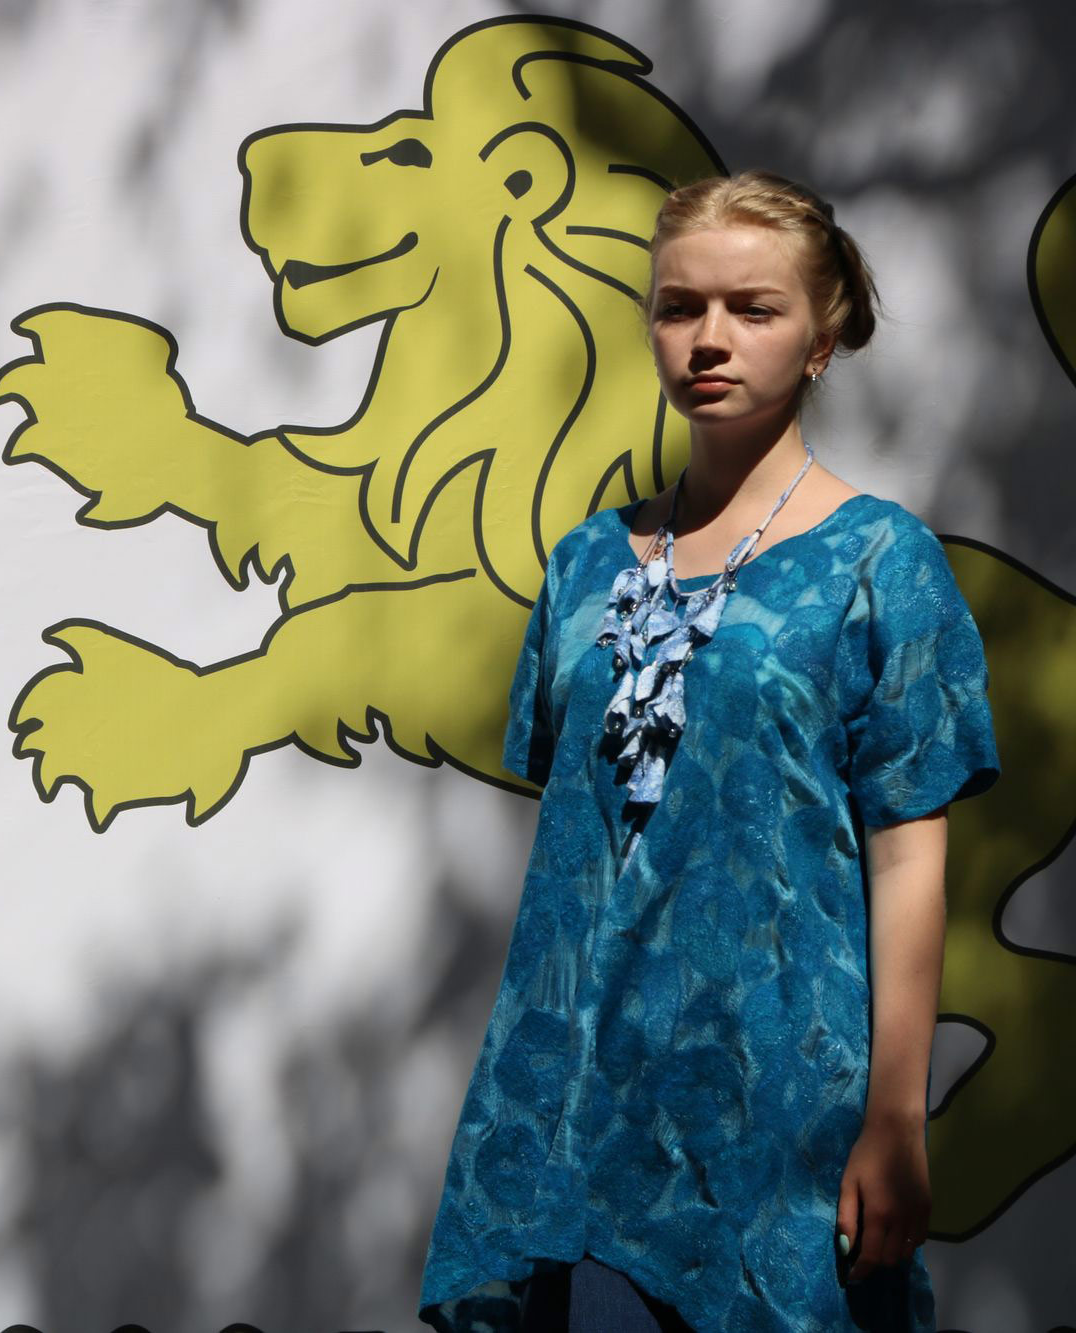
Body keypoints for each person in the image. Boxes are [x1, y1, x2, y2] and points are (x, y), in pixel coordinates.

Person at [418, 170, 1000, 1331]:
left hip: (779, 1125)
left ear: (821, 338)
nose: (708, 337)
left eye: (752, 307)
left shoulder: (879, 563)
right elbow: (577, 854)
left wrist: (896, 1117)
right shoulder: (583, 563)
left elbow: (907, 857)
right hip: (582, 1126)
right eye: (678, 306)